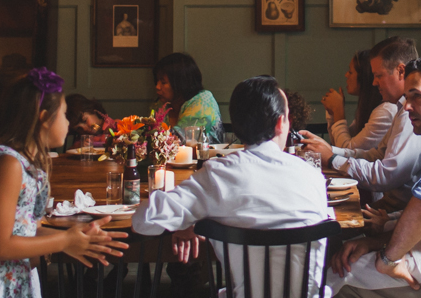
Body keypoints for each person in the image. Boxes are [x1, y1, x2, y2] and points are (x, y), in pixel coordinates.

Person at [133, 76, 332, 298]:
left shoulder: (218, 175)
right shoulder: (312, 176)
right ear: (279, 123)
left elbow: (144, 221)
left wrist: (192, 219)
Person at [0, 67, 128, 298]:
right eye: (64, 114)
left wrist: (77, 236)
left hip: (18, 277)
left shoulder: (28, 164)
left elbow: (27, 231)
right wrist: (63, 241)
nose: (68, 123)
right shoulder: (8, 164)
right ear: (44, 118)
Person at [329, 58, 421, 296]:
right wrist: (373, 242)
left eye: (417, 95)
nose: (406, 106)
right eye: (407, 97)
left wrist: (387, 258)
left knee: (333, 273)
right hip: (414, 242)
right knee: (341, 255)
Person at [300, 37, 421, 203]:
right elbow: (376, 155)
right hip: (389, 209)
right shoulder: (400, 109)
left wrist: (331, 158)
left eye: (378, 75)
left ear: (401, 71)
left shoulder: (408, 114)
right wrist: (328, 149)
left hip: (395, 210)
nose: (373, 82)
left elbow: (386, 176)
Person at [322, 49, 394, 152]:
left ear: (364, 77)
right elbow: (339, 145)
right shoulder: (368, 107)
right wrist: (333, 114)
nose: (346, 75)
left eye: (351, 72)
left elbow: (348, 150)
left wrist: (338, 110)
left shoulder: (385, 111)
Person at [152, 52, 224, 143]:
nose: (157, 87)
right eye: (157, 81)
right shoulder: (163, 105)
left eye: (163, 82)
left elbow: (181, 139)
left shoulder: (202, 101)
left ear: (181, 82)